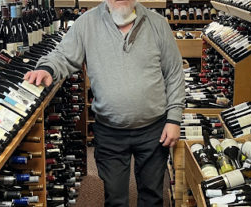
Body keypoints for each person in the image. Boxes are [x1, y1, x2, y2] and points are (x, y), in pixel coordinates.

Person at [24, 0, 185, 206]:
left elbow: (174, 74)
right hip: (110, 132)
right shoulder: (86, 23)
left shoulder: (157, 23)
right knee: (115, 197)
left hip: (154, 130)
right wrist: (47, 69)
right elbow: (63, 56)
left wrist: (174, 119)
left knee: (152, 196)